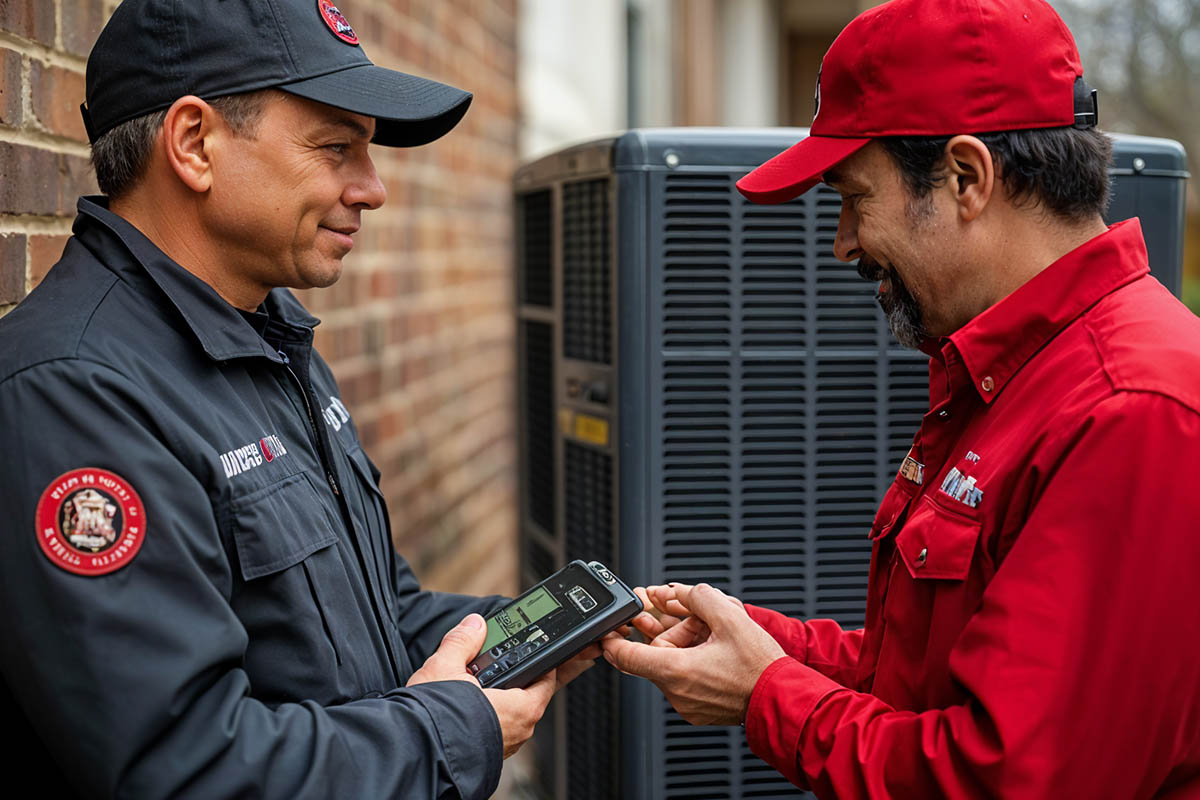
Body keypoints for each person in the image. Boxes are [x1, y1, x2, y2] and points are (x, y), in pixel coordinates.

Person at [602, 0, 1200, 796]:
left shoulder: (1135, 409)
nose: (844, 241)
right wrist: (764, 646)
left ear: (966, 178)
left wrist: (764, 693)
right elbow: (928, 680)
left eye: (854, 197)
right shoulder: (1013, 373)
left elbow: (1006, 778)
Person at [0, 1, 593, 797]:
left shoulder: (267, 337)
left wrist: (558, 623)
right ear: (194, 143)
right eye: (336, 148)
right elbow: (186, 767)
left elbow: (378, 613)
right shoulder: (77, 395)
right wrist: (454, 732)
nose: (372, 188)